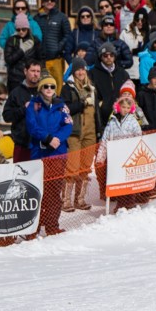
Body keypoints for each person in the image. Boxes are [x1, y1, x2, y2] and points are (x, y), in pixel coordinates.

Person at [26, 74, 72, 236]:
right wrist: (48, 138)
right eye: (46, 87)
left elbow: (68, 124)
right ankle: (33, 227)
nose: (49, 90)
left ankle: (52, 225)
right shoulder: (34, 105)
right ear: (40, 89)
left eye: (52, 87)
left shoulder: (61, 105)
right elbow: (32, 126)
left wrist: (58, 138)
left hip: (58, 153)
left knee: (54, 191)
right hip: (40, 153)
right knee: (37, 191)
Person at [94, 81, 144, 199]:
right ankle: (116, 197)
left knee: (127, 178)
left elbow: (139, 136)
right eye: (123, 107)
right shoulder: (112, 120)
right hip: (115, 156)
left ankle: (129, 200)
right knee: (116, 176)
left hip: (129, 156)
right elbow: (105, 139)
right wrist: (101, 156)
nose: (125, 109)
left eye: (128, 107)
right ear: (118, 106)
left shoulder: (133, 121)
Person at [59, 58, 97, 212]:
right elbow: (65, 107)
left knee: (85, 167)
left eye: (83, 69)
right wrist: (82, 103)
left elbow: (97, 113)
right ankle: (66, 200)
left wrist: (99, 130)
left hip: (90, 132)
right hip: (74, 132)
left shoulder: (91, 88)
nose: (81, 72)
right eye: (78, 69)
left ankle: (80, 199)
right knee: (72, 167)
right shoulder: (67, 88)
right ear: (73, 72)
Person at [3, 60, 44, 162]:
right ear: (25, 71)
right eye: (33, 70)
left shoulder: (45, 91)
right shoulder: (16, 92)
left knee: (40, 177)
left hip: (41, 144)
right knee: (20, 176)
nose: (36, 74)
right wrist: (24, 109)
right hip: (22, 144)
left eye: (38, 71)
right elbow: (7, 116)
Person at [89, 43, 130, 137]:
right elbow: (91, 95)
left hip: (122, 116)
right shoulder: (92, 73)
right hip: (103, 118)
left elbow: (129, 94)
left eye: (111, 55)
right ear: (100, 57)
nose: (108, 57)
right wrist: (101, 104)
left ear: (115, 56)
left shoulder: (123, 73)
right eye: (105, 55)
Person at [34, 0, 72, 90]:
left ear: (55, 2)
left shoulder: (62, 17)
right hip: (41, 60)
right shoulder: (37, 18)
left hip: (57, 59)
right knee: (42, 86)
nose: (49, 2)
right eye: (46, 0)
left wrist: (59, 48)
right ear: (42, 2)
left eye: (52, 0)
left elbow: (67, 34)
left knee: (57, 86)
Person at [4, 13, 41, 90]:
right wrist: (21, 50)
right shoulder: (11, 40)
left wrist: (39, 74)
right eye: (18, 29)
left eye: (23, 29)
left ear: (27, 28)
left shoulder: (35, 40)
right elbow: (8, 60)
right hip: (15, 79)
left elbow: (41, 58)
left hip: (32, 79)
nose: (21, 32)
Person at [121, 10, 147, 81]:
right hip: (129, 71)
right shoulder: (125, 32)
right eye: (137, 20)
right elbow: (120, 50)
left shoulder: (149, 33)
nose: (140, 22)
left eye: (142, 20)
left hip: (143, 71)